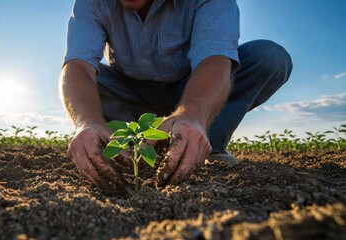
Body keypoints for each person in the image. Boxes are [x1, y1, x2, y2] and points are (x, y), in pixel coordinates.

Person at [59, 0, 293, 192]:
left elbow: (215, 57)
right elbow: (78, 64)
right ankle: (124, 148)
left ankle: (206, 139)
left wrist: (192, 114)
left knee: (268, 57)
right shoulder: (91, 2)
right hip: (128, 93)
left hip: (191, 89)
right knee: (78, 80)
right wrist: (86, 122)